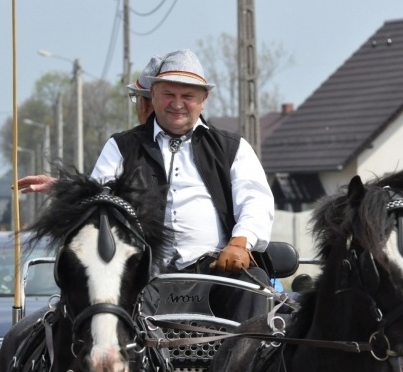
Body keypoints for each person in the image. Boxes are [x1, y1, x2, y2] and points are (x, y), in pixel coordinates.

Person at [92, 48, 275, 323]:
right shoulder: (121, 146)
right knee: (107, 297)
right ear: (152, 96)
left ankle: (246, 363)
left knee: (253, 285)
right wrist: (70, 190)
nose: (177, 104)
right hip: (143, 273)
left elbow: (255, 200)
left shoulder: (232, 148)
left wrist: (240, 242)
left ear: (204, 100)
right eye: (169, 94)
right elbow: (99, 200)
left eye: (187, 96)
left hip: (215, 270)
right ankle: (124, 364)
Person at [14, 55, 162, 195]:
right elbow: (97, 189)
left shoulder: (124, 145)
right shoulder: (124, 145)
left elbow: (97, 192)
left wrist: (62, 188)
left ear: (145, 104)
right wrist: (62, 187)